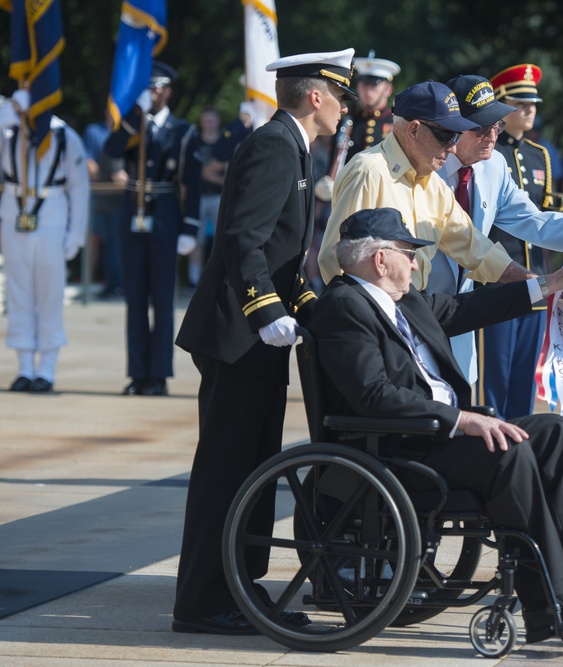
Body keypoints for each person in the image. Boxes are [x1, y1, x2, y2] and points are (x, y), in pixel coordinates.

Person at [310, 207, 563, 642]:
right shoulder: (343, 306)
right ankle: (547, 603)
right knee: (508, 451)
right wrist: (462, 420)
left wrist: (552, 282)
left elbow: (471, 306)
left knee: (556, 435)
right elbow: (374, 396)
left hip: (439, 435)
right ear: (380, 260)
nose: (416, 262)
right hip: (400, 448)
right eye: (409, 252)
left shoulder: (406, 301)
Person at [171, 49, 357, 636]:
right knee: (227, 471)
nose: (348, 105)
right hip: (238, 335)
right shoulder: (276, 145)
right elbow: (241, 241)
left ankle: (239, 587)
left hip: (256, 337)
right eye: (342, 94)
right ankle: (203, 601)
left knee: (253, 469)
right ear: (317, 96)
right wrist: (265, 309)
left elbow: (283, 259)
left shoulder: (294, 146)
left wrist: (313, 309)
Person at [427, 74, 563, 402]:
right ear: (452, 128)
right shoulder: (425, 164)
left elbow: (536, 223)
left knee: (461, 406)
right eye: (480, 128)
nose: (491, 136)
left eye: (496, 125)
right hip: (417, 309)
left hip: (461, 313)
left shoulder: (493, 165)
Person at [317, 80, 528, 289]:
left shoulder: (432, 183)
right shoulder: (369, 172)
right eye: (446, 136)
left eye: (457, 136)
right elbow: (336, 259)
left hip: (407, 309)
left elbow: (473, 246)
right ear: (414, 130)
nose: (453, 148)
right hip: (375, 313)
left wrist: (536, 283)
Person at [482, 63, 563, 418]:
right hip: (498, 273)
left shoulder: (540, 155)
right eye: (520, 104)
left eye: (532, 104)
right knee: (495, 374)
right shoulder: (487, 154)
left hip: (536, 274)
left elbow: (542, 210)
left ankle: (520, 441)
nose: (528, 111)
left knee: (526, 373)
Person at [103, 62, 201, 396]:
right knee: (134, 299)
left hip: (164, 215)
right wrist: (133, 118)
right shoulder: (133, 125)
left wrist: (190, 226)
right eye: (148, 88)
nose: (152, 93)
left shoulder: (182, 130)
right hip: (132, 214)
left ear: (168, 91)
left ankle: (158, 374)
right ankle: (137, 373)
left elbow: (193, 182)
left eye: (157, 87)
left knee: (161, 298)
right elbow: (111, 150)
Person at [1, 92, 89, 393]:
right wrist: (7, 114)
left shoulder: (65, 136)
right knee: (18, 294)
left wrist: (75, 234)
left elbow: (79, 189)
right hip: (14, 216)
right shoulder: (8, 131)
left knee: (49, 296)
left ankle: (47, 369)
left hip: (51, 219)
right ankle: (24, 366)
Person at [82, 112, 123, 298]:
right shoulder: (94, 131)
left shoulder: (127, 132)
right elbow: (90, 163)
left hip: (122, 200)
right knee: (107, 243)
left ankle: (118, 284)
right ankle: (111, 284)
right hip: (101, 197)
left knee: (118, 244)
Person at [186, 106, 223, 287]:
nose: (209, 123)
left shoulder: (224, 143)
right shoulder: (194, 142)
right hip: (198, 197)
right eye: (206, 120)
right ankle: (195, 280)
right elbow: (191, 171)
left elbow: (229, 166)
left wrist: (207, 173)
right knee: (196, 240)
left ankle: (218, 279)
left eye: (212, 119)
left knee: (220, 241)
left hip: (219, 197)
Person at [343, 53, 400, 163]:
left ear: (388, 90)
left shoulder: (396, 124)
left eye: (374, 85)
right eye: (364, 84)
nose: (368, 90)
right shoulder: (349, 121)